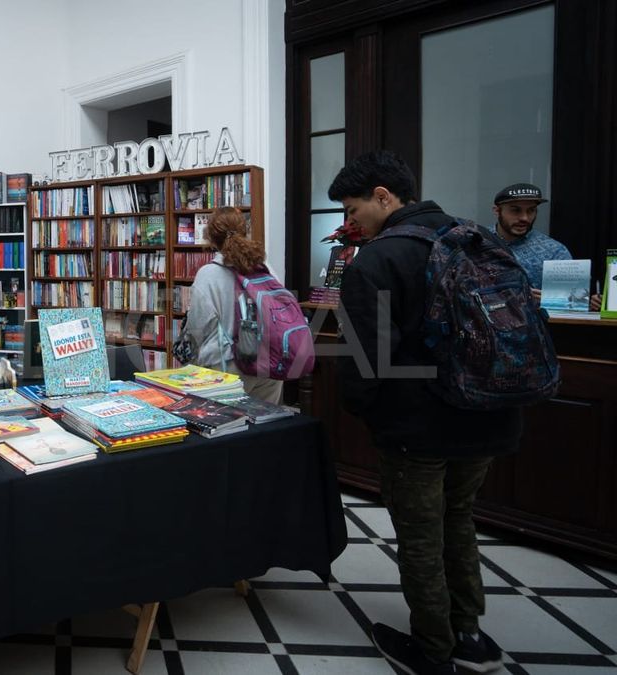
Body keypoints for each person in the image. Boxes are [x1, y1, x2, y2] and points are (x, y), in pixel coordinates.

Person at [329, 150, 517, 675]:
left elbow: (367, 359)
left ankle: (433, 651)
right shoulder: (476, 238)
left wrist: (361, 411)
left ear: (383, 196)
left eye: (353, 209)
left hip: (418, 427)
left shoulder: (379, 260)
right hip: (487, 413)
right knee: (458, 519)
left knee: (420, 536)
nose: (352, 222)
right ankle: (469, 634)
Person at [181, 206, 283, 404]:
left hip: (227, 368)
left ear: (211, 238)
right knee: (265, 422)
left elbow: (197, 328)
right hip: (269, 363)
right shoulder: (265, 267)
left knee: (227, 423)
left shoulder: (208, 274)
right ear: (245, 231)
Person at [491, 183, 601, 310]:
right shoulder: (477, 242)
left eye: (531, 210)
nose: (524, 218)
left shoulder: (554, 251)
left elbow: (576, 304)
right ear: (497, 211)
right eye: (515, 210)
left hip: (536, 320)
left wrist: (553, 301)